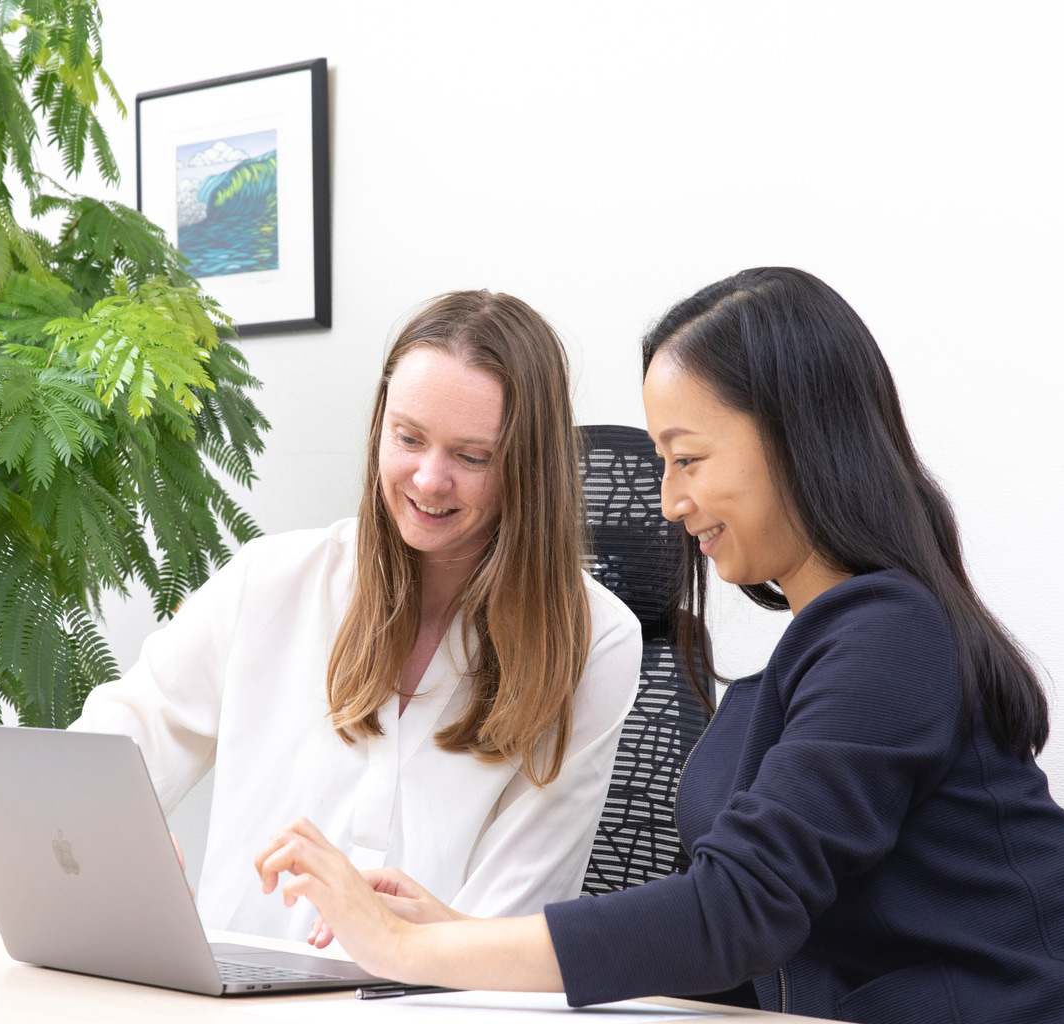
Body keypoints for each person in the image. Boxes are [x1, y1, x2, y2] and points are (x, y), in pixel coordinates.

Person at [255, 268, 1064, 1023]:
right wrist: (454, 935)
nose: (670, 501)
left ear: (795, 442)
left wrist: (410, 950)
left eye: (688, 458)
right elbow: (729, 938)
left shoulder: (892, 638)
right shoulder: (834, 649)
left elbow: (735, 913)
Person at [70, 290, 643, 942]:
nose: (429, 479)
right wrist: (120, 840)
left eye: (472, 457)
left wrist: (395, 940)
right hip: (229, 984)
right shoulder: (271, 579)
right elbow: (101, 753)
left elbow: (513, 930)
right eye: (409, 438)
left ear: (530, 468)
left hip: (431, 995)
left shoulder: (594, 641)